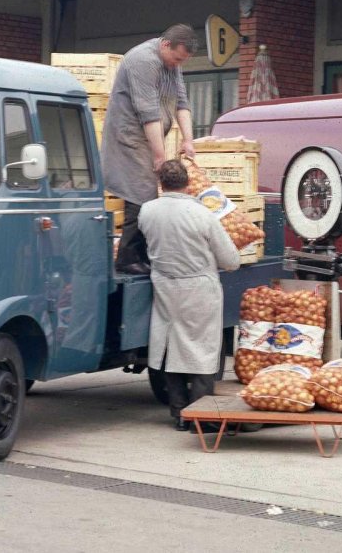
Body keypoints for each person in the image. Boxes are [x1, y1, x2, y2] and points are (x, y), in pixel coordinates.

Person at [138, 160, 240, 431]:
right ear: (189, 183)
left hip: (164, 287)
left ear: (161, 183)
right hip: (199, 289)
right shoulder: (202, 215)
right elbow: (231, 260)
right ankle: (201, 416)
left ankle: (179, 413)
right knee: (203, 352)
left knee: (173, 348)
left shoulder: (147, 211)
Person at [101, 24, 198, 275]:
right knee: (141, 190)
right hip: (130, 134)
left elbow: (182, 103)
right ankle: (127, 257)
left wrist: (188, 140)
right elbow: (148, 113)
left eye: (182, 61)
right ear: (166, 45)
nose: (178, 65)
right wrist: (159, 156)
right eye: (177, 58)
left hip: (152, 133)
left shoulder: (172, 65)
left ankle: (143, 254)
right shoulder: (142, 60)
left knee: (148, 192)